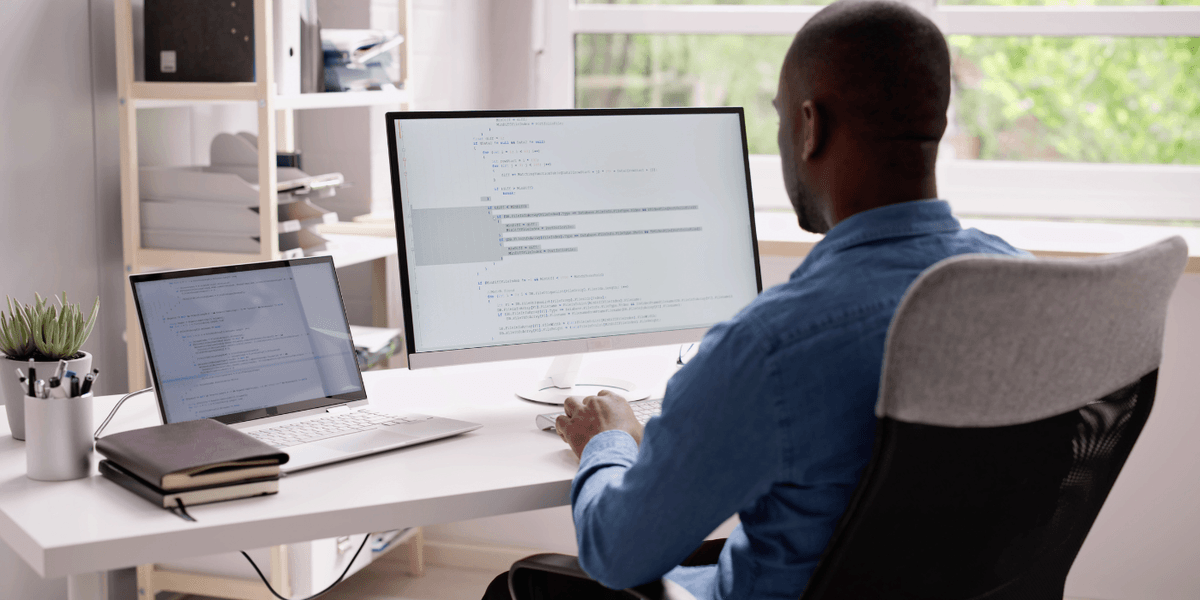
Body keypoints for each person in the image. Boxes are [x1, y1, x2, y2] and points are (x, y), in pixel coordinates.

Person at [483, 0, 1028, 598]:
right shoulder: (1023, 287)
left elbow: (616, 553)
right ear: (940, 122)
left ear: (810, 125)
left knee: (515, 587)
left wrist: (604, 442)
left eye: (781, 118)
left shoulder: (771, 346)